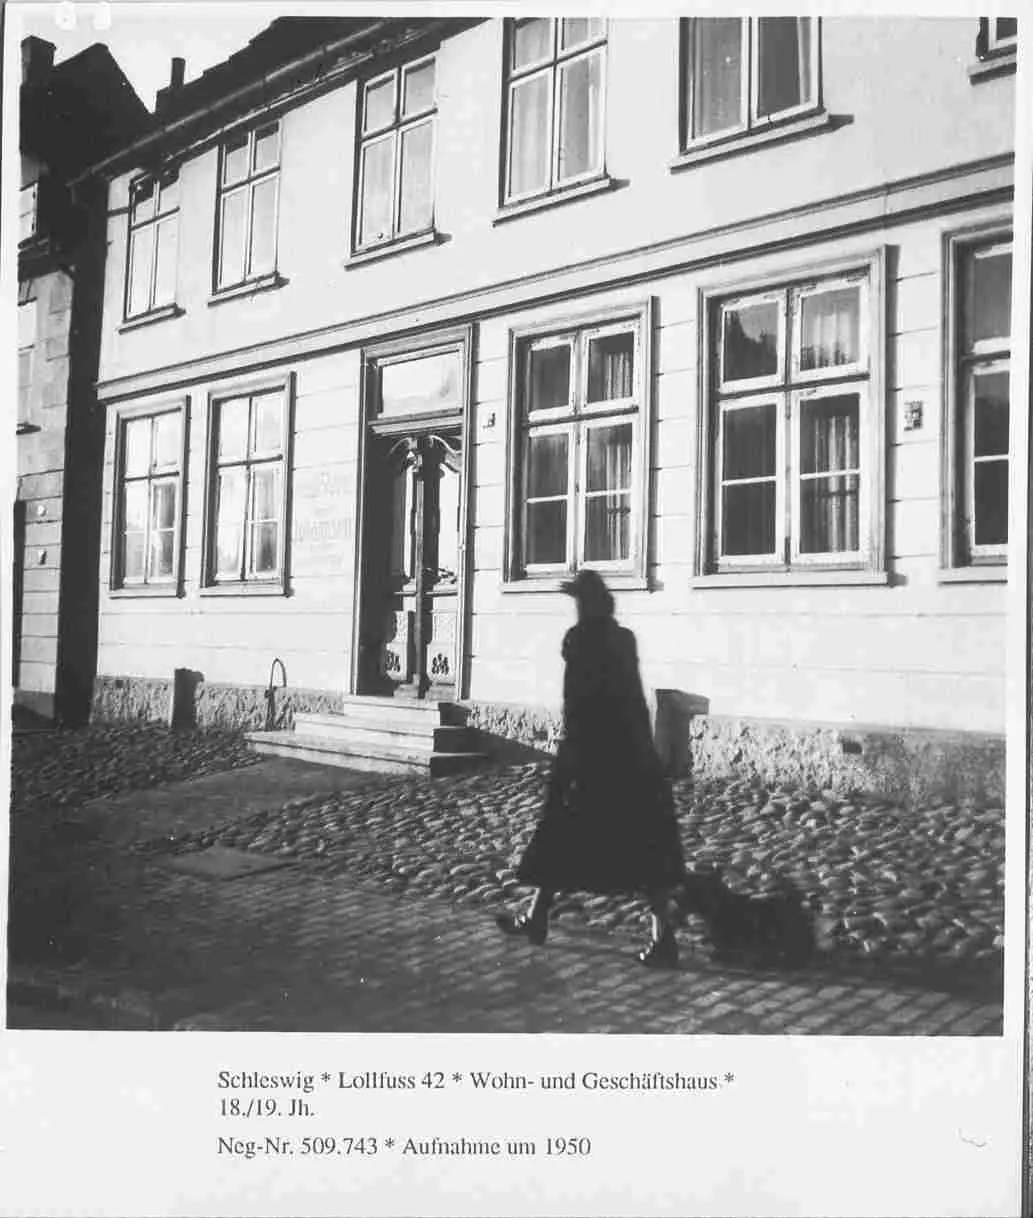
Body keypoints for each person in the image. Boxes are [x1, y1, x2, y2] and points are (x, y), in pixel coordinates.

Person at [496, 569, 685, 967]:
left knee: (560, 839)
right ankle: (660, 936)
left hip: (590, 758)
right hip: (631, 757)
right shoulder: (624, 640)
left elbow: (577, 707)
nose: (577, 608)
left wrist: (568, 759)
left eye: (578, 601)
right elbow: (635, 702)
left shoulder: (579, 641)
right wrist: (646, 755)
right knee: (645, 849)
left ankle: (538, 917)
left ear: (586, 604)